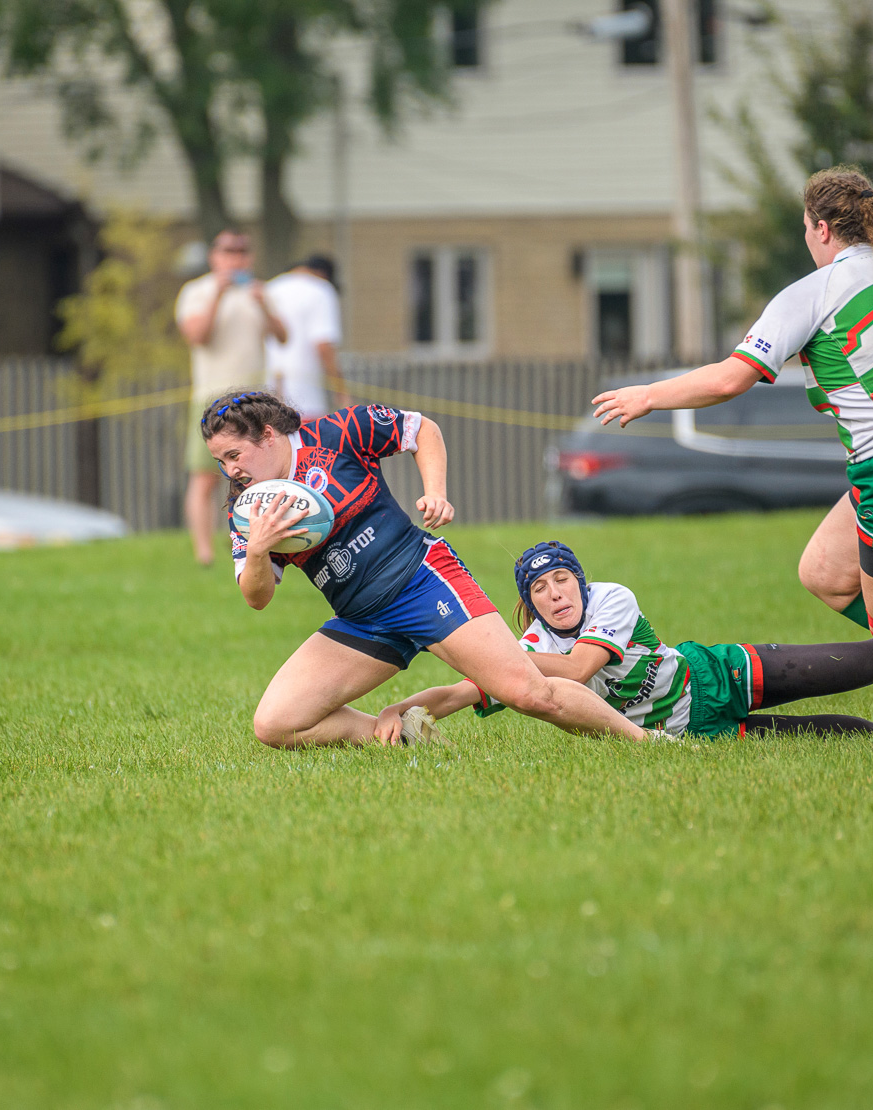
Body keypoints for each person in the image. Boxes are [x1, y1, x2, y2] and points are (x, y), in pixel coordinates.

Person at [593, 166, 873, 749]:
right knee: (826, 574)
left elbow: (734, 378)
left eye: (806, 229)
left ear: (823, 228)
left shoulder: (812, 293)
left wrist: (649, 396)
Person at [208, 391, 651, 749]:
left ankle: (648, 742)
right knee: (276, 724)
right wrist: (260, 551)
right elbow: (256, 597)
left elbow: (422, 430)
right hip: (362, 620)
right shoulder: (248, 512)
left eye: (234, 454)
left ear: (268, 436)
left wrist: (435, 492)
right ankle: (410, 741)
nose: (231, 470)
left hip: (423, 581)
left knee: (530, 694)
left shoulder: (337, 431)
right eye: (221, 462)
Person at [375, 540, 873, 742]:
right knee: (814, 736)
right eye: (540, 588)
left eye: (562, 578)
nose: (556, 593)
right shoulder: (531, 643)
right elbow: (459, 692)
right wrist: (397, 711)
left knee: (868, 659)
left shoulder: (611, 598)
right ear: (529, 604)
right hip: (691, 736)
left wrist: (508, 656)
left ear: (579, 581)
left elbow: (582, 668)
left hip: (713, 677)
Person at [177, 230, 287, 566]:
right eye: (228, 250)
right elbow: (197, 336)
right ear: (214, 255)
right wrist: (218, 295)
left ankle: (255, 538)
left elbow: (283, 337)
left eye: (241, 251)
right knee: (204, 476)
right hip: (212, 397)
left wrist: (264, 306)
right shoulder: (197, 291)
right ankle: (204, 552)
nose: (235, 257)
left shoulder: (258, 291)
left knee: (262, 470)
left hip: (255, 398)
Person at [263, 254, 345, 420]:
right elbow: (324, 346)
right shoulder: (321, 289)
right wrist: (341, 391)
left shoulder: (269, 288)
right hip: (307, 402)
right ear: (324, 274)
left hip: (267, 398)